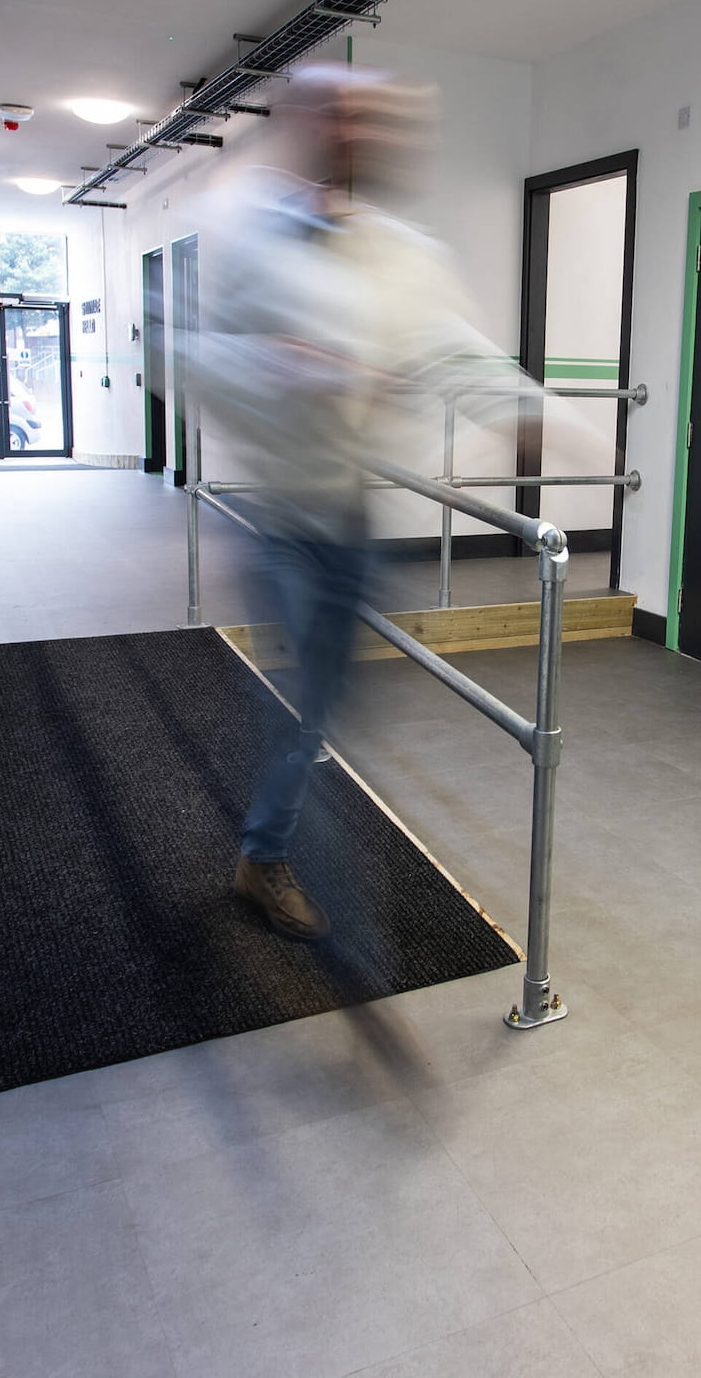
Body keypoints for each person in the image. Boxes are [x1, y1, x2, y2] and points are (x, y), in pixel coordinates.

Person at [197, 65, 601, 941]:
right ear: (308, 126)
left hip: (349, 518)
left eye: (379, 123)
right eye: (347, 119)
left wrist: (539, 417)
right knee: (302, 700)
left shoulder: (403, 253)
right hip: (280, 517)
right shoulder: (249, 231)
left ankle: (264, 857)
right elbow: (190, 353)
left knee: (330, 706)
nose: (367, 137)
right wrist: (281, 369)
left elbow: (454, 352)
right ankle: (325, 912)